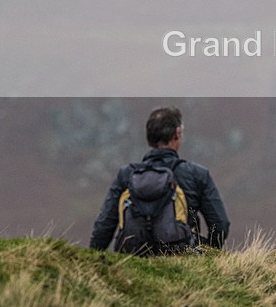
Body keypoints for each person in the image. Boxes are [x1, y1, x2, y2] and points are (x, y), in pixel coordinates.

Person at [90, 106, 230, 252]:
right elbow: (220, 224)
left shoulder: (126, 175)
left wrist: (93, 258)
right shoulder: (196, 174)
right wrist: (210, 253)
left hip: (133, 255)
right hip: (180, 254)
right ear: (177, 134)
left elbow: (104, 225)